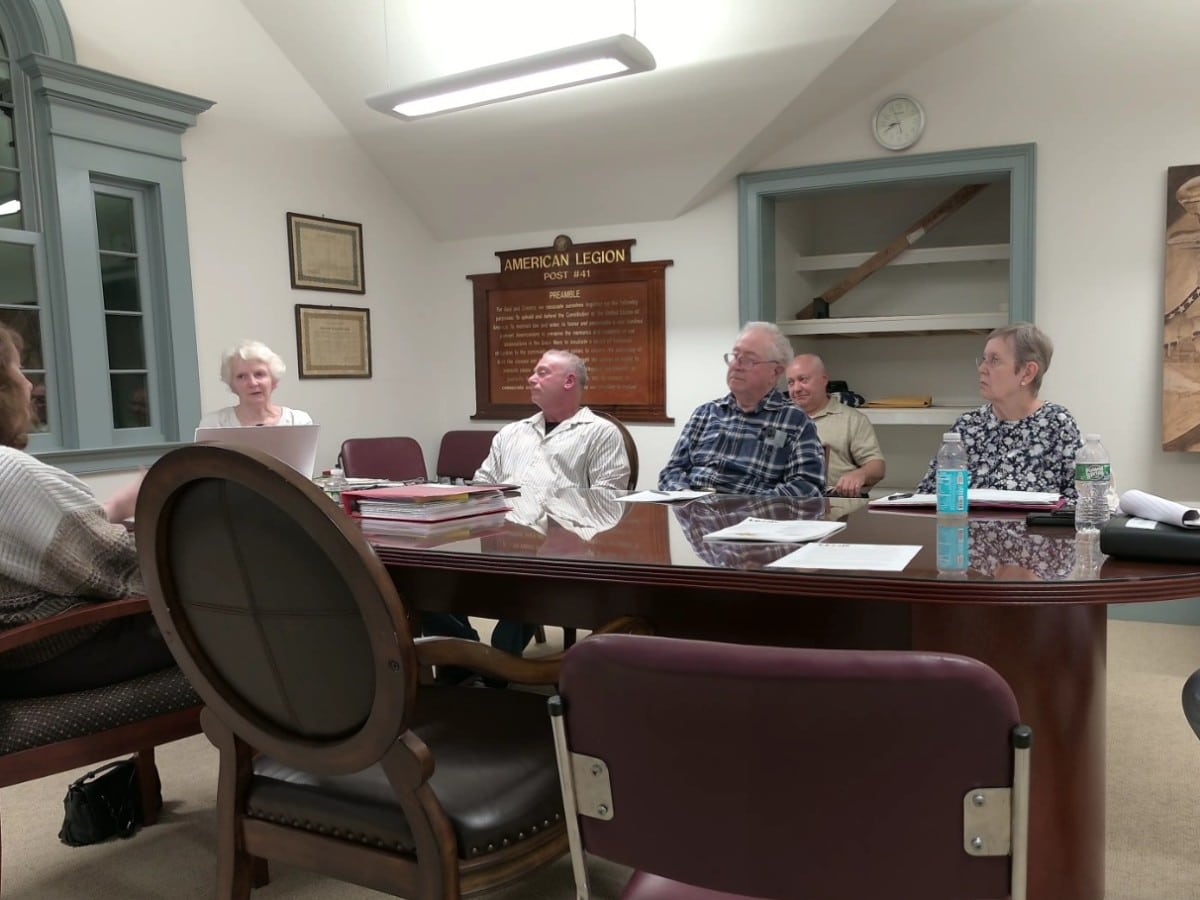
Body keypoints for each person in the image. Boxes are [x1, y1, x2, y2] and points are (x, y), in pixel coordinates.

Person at [0, 324, 174, 698]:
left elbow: (32, 550)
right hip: (50, 652)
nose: (30, 386)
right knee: (235, 613)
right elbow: (121, 572)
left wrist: (113, 508)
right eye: (20, 371)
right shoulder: (11, 472)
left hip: (14, 661)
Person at [431, 349, 630, 669]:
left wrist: (553, 519)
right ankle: (467, 651)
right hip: (497, 537)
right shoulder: (512, 432)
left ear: (569, 381)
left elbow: (608, 501)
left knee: (532, 575)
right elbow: (483, 484)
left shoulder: (600, 433)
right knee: (425, 578)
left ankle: (499, 667)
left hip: (560, 545)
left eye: (542, 372)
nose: (531, 378)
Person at [658, 322, 825, 497]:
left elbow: (808, 488)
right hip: (696, 513)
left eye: (748, 360)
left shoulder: (795, 422)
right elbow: (671, 472)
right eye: (735, 356)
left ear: (775, 372)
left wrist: (748, 507)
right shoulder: (705, 414)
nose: (736, 365)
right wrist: (685, 496)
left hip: (752, 517)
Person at [917, 322, 1081, 497]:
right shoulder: (967, 426)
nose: (981, 369)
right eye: (983, 359)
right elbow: (927, 496)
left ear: (1027, 373)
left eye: (994, 360)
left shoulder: (1058, 424)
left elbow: (1081, 503)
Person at [786, 353, 885, 497]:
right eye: (790, 382)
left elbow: (877, 466)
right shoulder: (779, 419)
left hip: (835, 500)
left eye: (803, 380)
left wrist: (860, 474)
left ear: (824, 380)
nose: (796, 389)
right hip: (785, 500)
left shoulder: (852, 419)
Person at [198, 339, 312, 427]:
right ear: (232, 386)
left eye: (259, 374)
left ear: (274, 381)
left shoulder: (297, 421)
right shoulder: (214, 425)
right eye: (241, 376)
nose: (252, 383)